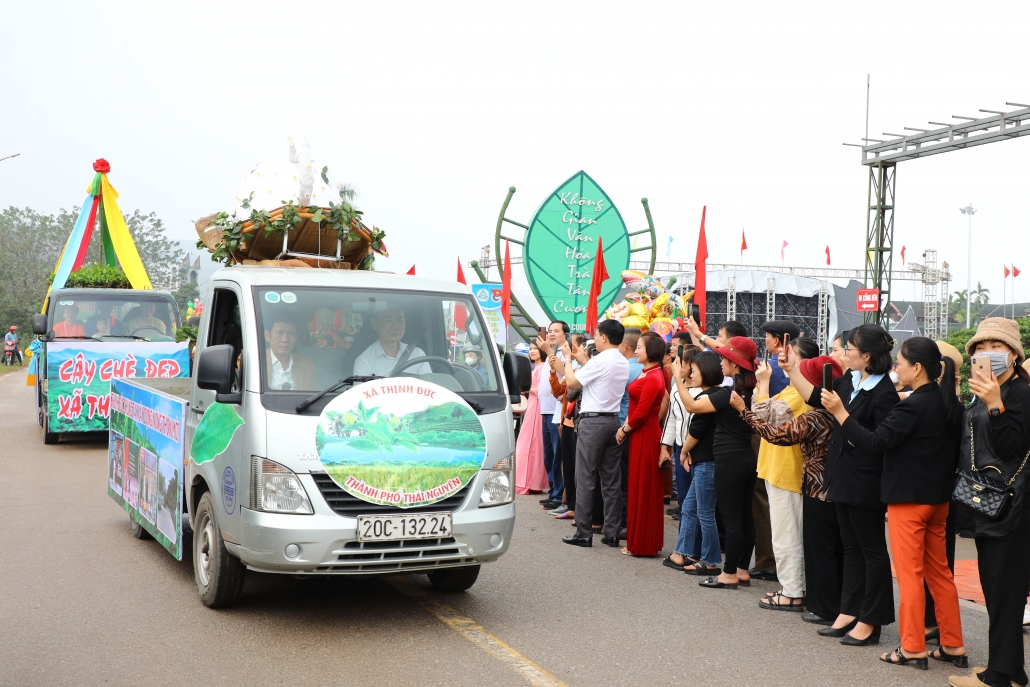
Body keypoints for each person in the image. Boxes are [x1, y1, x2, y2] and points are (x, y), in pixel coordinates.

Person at [823, 337, 966, 671]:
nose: (895, 367)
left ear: (917, 368)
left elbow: (874, 442)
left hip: (909, 502)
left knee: (910, 575)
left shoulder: (913, 406)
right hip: (939, 501)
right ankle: (953, 644)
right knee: (940, 574)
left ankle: (913, 647)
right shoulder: (950, 404)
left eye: (899, 362)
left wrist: (841, 413)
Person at [788, 324, 899, 646]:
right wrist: (791, 369)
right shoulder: (849, 380)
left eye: (848, 348)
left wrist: (841, 413)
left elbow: (877, 442)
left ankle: (871, 620)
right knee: (851, 548)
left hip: (865, 479)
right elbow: (815, 398)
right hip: (840, 473)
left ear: (866, 355)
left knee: (872, 551)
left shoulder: (884, 393)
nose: (843, 353)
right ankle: (848, 611)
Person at [732, 355, 845, 625]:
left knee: (797, 539)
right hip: (815, 481)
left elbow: (775, 430)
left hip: (809, 482)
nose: (794, 376)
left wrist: (744, 410)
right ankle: (806, 595)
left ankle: (797, 593)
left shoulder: (813, 409)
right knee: (813, 544)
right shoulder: (823, 404)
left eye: (799, 372)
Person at [947, 318, 1030, 687]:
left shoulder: (1019, 394)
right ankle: (1012, 670)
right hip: (987, 504)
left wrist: (996, 406)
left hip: (1013, 509)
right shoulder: (985, 389)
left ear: (1013, 354)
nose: (985, 354)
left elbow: (1013, 447)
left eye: (994, 348)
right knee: (999, 589)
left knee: (1005, 591)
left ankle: (998, 674)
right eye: (979, 349)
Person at [679, 336, 759, 588]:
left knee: (732, 519)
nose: (721, 361)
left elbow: (691, 406)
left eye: (726, 358)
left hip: (729, 459)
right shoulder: (749, 390)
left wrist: (676, 378)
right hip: (747, 457)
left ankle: (729, 573)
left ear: (735, 365)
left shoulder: (729, 393)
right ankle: (742, 570)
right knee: (745, 517)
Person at [749, 337, 818, 612]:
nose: (783, 358)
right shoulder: (792, 389)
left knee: (787, 534)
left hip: (788, 470)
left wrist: (764, 382)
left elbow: (767, 418)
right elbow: (759, 413)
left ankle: (793, 591)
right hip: (776, 468)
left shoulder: (803, 392)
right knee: (783, 532)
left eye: (791, 355)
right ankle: (791, 586)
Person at [561, 320, 630, 548]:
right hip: (612, 420)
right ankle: (611, 532)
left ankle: (583, 532)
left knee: (585, 478)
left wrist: (569, 360)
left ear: (603, 337)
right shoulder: (622, 360)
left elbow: (571, 382)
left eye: (598, 334)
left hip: (593, 423)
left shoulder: (600, 360)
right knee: (611, 480)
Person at [669, 350, 721, 575]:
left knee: (705, 512)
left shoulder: (709, 397)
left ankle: (710, 561)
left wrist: (684, 451)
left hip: (707, 460)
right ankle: (682, 552)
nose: (692, 373)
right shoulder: (713, 394)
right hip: (702, 458)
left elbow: (696, 429)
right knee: (689, 507)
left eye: (695, 370)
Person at [616, 332, 668, 557]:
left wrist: (624, 429)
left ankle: (642, 543)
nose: (635, 351)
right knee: (637, 485)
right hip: (639, 432)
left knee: (643, 487)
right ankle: (637, 541)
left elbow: (641, 413)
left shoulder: (654, 376)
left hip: (645, 433)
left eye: (639, 347)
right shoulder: (648, 373)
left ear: (651, 351)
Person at [536, 321, 570, 510]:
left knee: (558, 457)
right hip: (546, 411)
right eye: (549, 331)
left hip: (556, 413)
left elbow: (564, 374)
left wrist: (549, 352)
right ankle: (553, 492)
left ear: (565, 334)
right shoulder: (555, 353)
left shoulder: (565, 354)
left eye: (556, 331)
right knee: (549, 456)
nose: (551, 334)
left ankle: (558, 496)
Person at [513, 341, 550, 494]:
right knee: (528, 443)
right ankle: (529, 481)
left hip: (538, 406)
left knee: (531, 444)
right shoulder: (535, 367)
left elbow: (542, 388)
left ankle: (528, 481)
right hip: (532, 405)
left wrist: (527, 389)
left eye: (536, 348)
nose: (532, 351)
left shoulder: (543, 368)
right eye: (531, 349)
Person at [353, 305, 431, 377]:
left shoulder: (418, 355)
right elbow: (363, 392)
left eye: (399, 320)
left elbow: (429, 388)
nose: (395, 326)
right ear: (375, 324)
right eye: (388, 321)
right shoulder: (364, 361)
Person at [619, 328, 645, 528]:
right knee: (633, 478)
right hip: (639, 428)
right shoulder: (648, 371)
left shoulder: (624, 369)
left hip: (624, 427)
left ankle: (624, 521)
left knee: (622, 478)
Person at [264, 314, 315, 390]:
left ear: (296, 337)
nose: (285, 339)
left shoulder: (306, 364)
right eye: (279, 333)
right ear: (267, 335)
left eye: (291, 334)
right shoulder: (254, 361)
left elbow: (312, 396)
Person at [760, 320, 801, 396]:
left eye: (767, 336)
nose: (765, 340)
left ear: (776, 341)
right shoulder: (800, 368)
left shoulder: (764, 367)